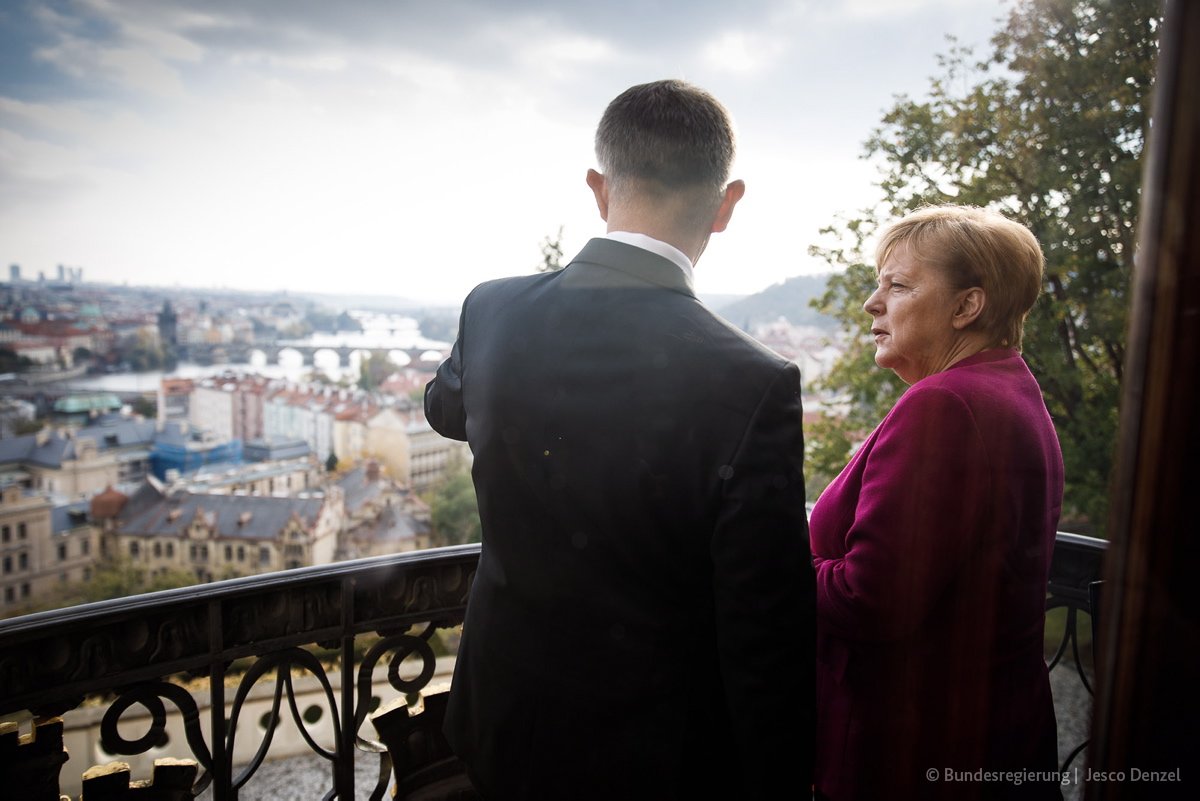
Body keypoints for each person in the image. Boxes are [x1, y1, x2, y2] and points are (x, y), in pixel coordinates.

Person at [425, 79, 815, 798]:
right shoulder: (752, 381)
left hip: (501, 721)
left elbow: (445, 408)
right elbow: (766, 628)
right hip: (655, 756)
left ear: (599, 189)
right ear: (727, 204)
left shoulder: (492, 310)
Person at [810, 205, 1064, 800]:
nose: (873, 303)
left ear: (966, 306)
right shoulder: (1008, 386)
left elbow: (868, 599)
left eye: (897, 286)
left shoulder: (946, 405)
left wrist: (769, 562)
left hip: (913, 754)